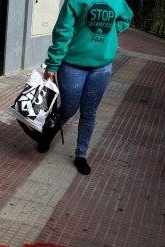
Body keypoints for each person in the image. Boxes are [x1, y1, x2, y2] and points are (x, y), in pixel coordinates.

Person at [38, 0, 134, 175]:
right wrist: (53, 63)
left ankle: (81, 154)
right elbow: (62, 30)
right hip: (73, 64)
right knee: (69, 108)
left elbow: (126, 17)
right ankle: (49, 131)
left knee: (89, 112)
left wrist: (113, 30)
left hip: (102, 67)